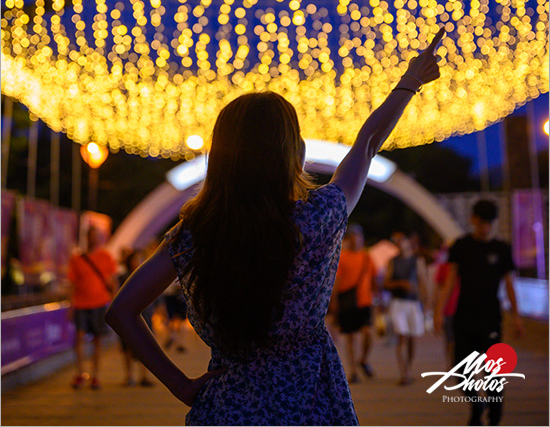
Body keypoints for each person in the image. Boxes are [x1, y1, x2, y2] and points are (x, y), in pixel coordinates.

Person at [106, 27, 445, 426]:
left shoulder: (196, 233)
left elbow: (122, 311)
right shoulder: (320, 215)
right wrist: (409, 82)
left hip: (226, 409)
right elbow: (366, 145)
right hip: (312, 406)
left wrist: (180, 385)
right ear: (293, 153)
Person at [435, 199, 523, 427]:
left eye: (490, 223)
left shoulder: (501, 249)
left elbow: (510, 285)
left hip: (491, 318)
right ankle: (476, 405)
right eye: (482, 221)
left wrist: (516, 317)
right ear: (473, 220)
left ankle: (494, 417)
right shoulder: (461, 246)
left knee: (493, 375)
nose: (485, 227)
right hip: (463, 318)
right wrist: (439, 312)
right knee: (461, 371)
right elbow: (450, 281)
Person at [67, 225, 118, 390]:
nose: (94, 239)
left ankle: (95, 375)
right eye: (91, 236)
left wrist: (115, 300)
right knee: (79, 338)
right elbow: (72, 284)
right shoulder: (77, 259)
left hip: (99, 302)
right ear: (87, 237)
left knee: (97, 340)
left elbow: (112, 280)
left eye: (96, 236)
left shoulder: (105, 256)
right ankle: (80, 373)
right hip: (81, 304)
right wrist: (70, 305)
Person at [333, 223, 376, 382]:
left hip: (365, 301)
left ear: (362, 238)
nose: (355, 240)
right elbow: (337, 281)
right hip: (347, 301)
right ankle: (353, 371)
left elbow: (373, 278)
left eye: (357, 236)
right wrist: (334, 301)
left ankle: (363, 360)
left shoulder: (367, 257)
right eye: (351, 237)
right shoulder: (342, 257)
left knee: (368, 333)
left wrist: (377, 297)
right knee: (350, 337)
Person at [384, 231, 428, 385]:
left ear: (408, 241)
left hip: (413, 303)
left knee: (411, 339)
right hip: (398, 302)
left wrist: (426, 303)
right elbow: (386, 283)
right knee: (401, 336)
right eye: (396, 241)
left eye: (401, 240)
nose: (399, 243)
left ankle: (408, 368)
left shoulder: (417, 261)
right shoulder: (393, 261)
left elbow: (423, 282)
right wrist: (401, 284)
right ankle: (405, 372)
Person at [119, 249, 155, 386]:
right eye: (135, 259)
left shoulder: (148, 275)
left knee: (145, 345)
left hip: (145, 313)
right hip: (128, 315)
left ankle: (144, 376)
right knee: (127, 345)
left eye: (140, 259)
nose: (137, 262)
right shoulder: (123, 277)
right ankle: (129, 376)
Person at [434, 245, 460, 368]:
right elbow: (439, 288)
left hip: (463, 308)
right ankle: (451, 363)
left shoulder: (465, 266)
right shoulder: (443, 267)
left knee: (459, 339)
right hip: (449, 308)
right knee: (449, 339)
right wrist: (438, 309)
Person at [162, 277, 188, 352]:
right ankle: (174, 337)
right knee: (170, 318)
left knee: (182, 319)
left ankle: (179, 341)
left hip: (179, 293)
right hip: (170, 294)